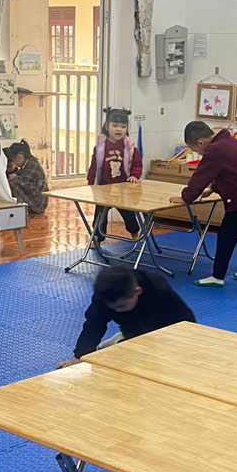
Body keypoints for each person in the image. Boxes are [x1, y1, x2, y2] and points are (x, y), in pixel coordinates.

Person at [169, 121, 237, 288]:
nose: (199, 154)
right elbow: (232, 171)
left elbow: (200, 176)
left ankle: (217, 276)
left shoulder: (214, 150)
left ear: (200, 142)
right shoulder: (228, 141)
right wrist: (213, 188)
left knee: (226, 237)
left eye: (196, 150)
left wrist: (186, 197)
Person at [57, 266, 195, 367]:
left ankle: (123, 340)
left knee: (155, 359)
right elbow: (93, 325)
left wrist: (191, 345)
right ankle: (122, 339)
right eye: (113, 308)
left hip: (163, 326)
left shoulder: (157, 287)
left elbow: (185, 319)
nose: (117, 310)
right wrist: (81, 357)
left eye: (121, 306)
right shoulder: (103, 296)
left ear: (137, 291)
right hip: (131, 327)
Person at [86, 108, 143, 243]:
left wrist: (134, 176)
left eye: (123, 126)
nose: (119, 129)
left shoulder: (130, 147)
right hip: (104, 189)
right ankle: (97, 238)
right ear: (107, 126)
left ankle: (134, 232)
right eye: (115, 125)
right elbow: (94, 167)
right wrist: (91, 184)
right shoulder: (100, 147)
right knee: (100, 216)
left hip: (123, 190)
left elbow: (137, 165)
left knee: (129, 215)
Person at [5, 140, 49, 215]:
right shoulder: (28, 163)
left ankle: (23, 207)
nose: (14, 163)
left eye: (14, 160)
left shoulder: (32, 164)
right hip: (39, 198)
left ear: (19, 157)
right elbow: (22, 174)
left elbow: (26, 182)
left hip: (38, 202)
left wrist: (16, 177)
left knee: (13, 183)